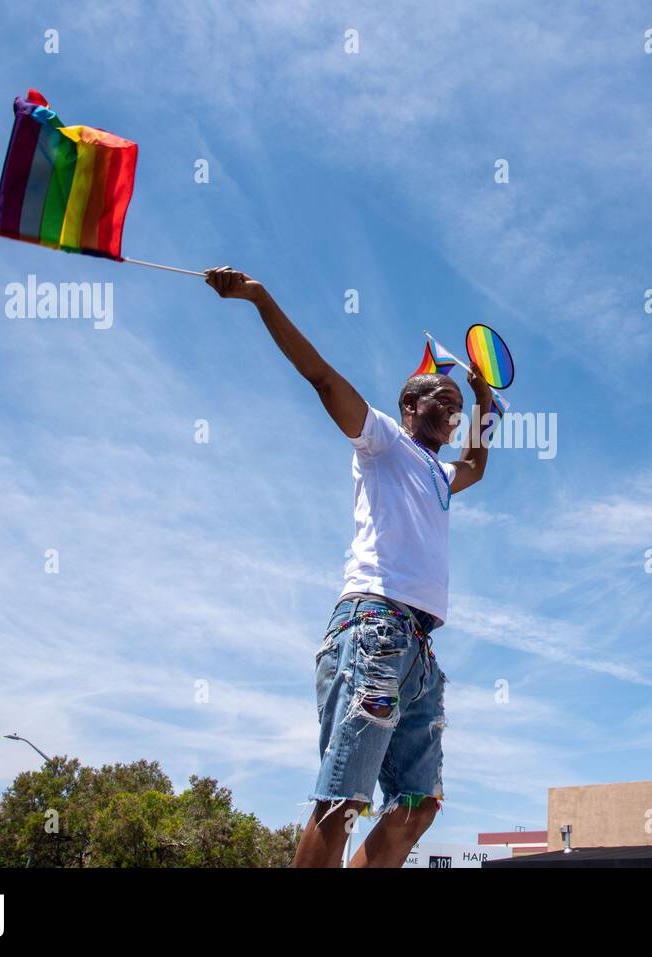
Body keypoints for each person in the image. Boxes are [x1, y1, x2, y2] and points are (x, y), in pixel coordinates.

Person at [205, 266, 493, 867]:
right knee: (343, 799)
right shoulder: (383, 441)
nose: (453, 408)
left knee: (419, 805)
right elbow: (319, 375)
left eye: (458, 405)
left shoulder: (440, 476)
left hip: (419, 647)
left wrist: (486, 408)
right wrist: (260, 297)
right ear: (409, 404)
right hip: (373, 627)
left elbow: (477, 467)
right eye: (444, 397)